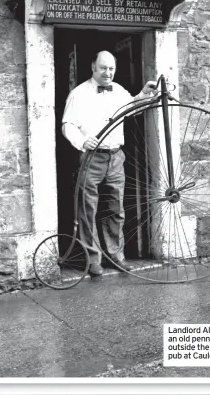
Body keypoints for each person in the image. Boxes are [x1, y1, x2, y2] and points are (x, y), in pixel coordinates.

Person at [62, 51, 157, 278]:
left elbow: (133, 105)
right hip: (91, 158)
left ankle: (116, 256)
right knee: (87, 211)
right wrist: (83, 140)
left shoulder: (118, 90)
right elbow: (68, 125)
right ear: (93, 67)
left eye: (111, 69)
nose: (108, 73)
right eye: (103, 68)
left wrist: (144, 94)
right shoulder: (79, 94)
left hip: (115, 158)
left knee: (115, 210)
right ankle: (92, 260)